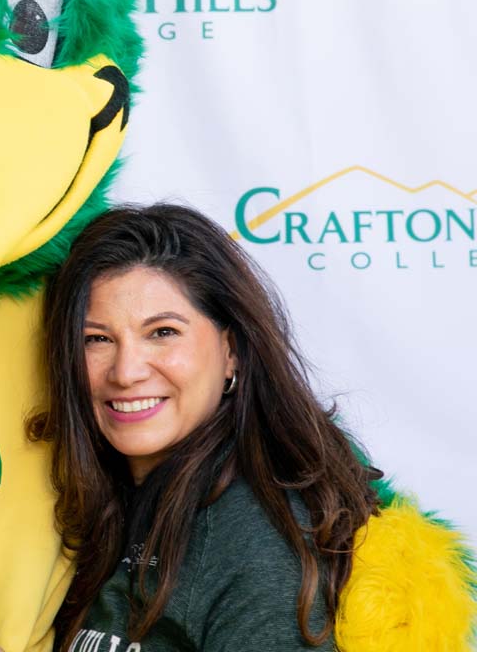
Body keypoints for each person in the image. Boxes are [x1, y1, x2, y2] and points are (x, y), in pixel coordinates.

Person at [30, 204, 380, 652]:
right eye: (96, 339)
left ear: (231, 351)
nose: (125, 371)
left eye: (162, 332)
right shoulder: (110, 501)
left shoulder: (252, 536)